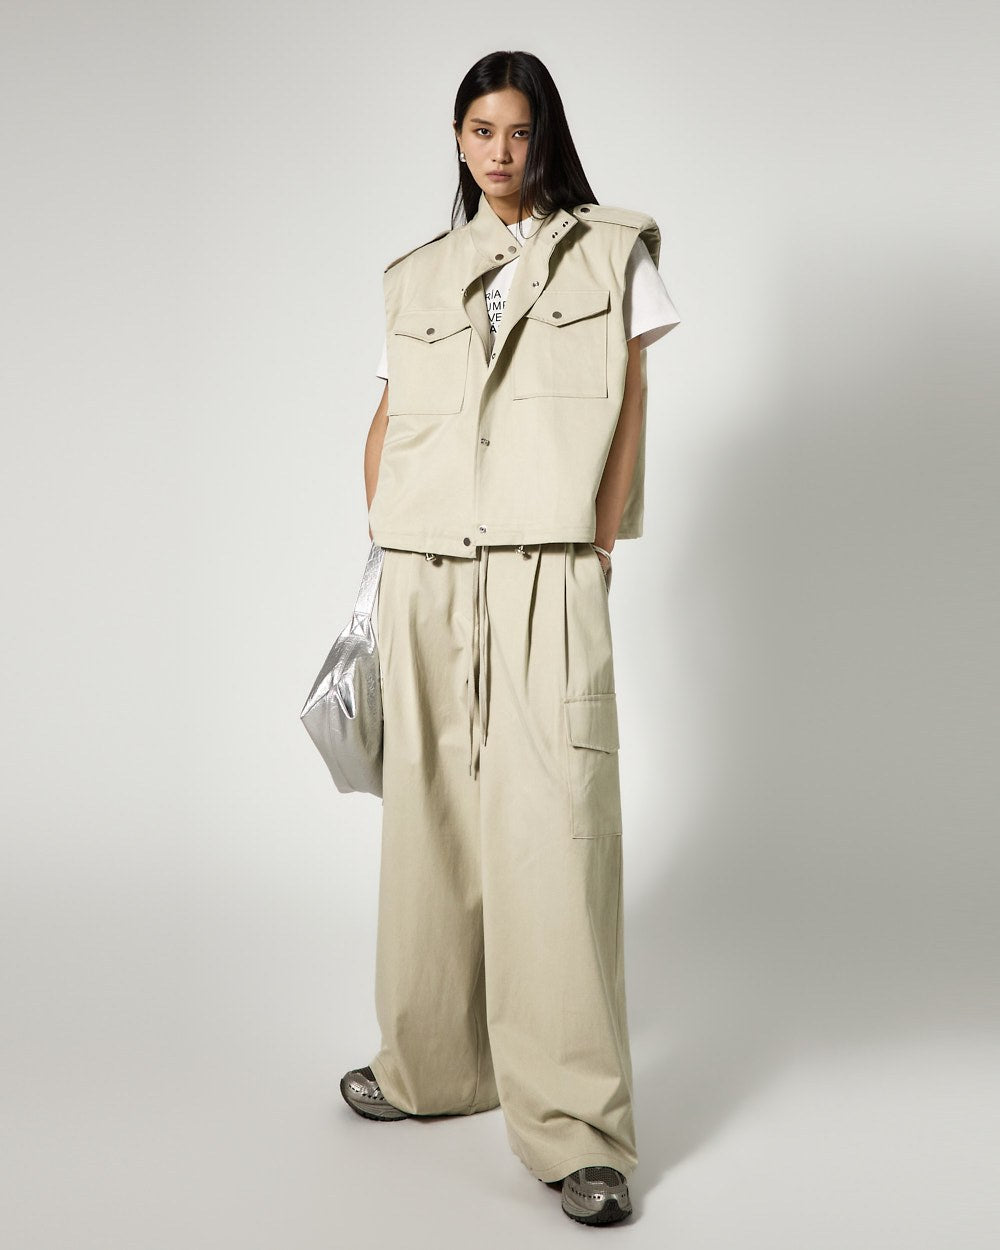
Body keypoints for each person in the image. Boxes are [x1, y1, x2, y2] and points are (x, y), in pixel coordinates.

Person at [341, 50, 680, 1227]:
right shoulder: (418, 275)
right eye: (480, 129)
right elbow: (389, 415)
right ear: (456, 137)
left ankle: (577, 1129)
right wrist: (385, 542)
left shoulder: (611, 253)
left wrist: (597, 545)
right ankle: (430, 1065)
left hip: (545, 567)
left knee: (552, 834)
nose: (498, 150)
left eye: (517, 131)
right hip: (425, 569)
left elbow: (631, 404)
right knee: (427, 821)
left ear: (544, 139)